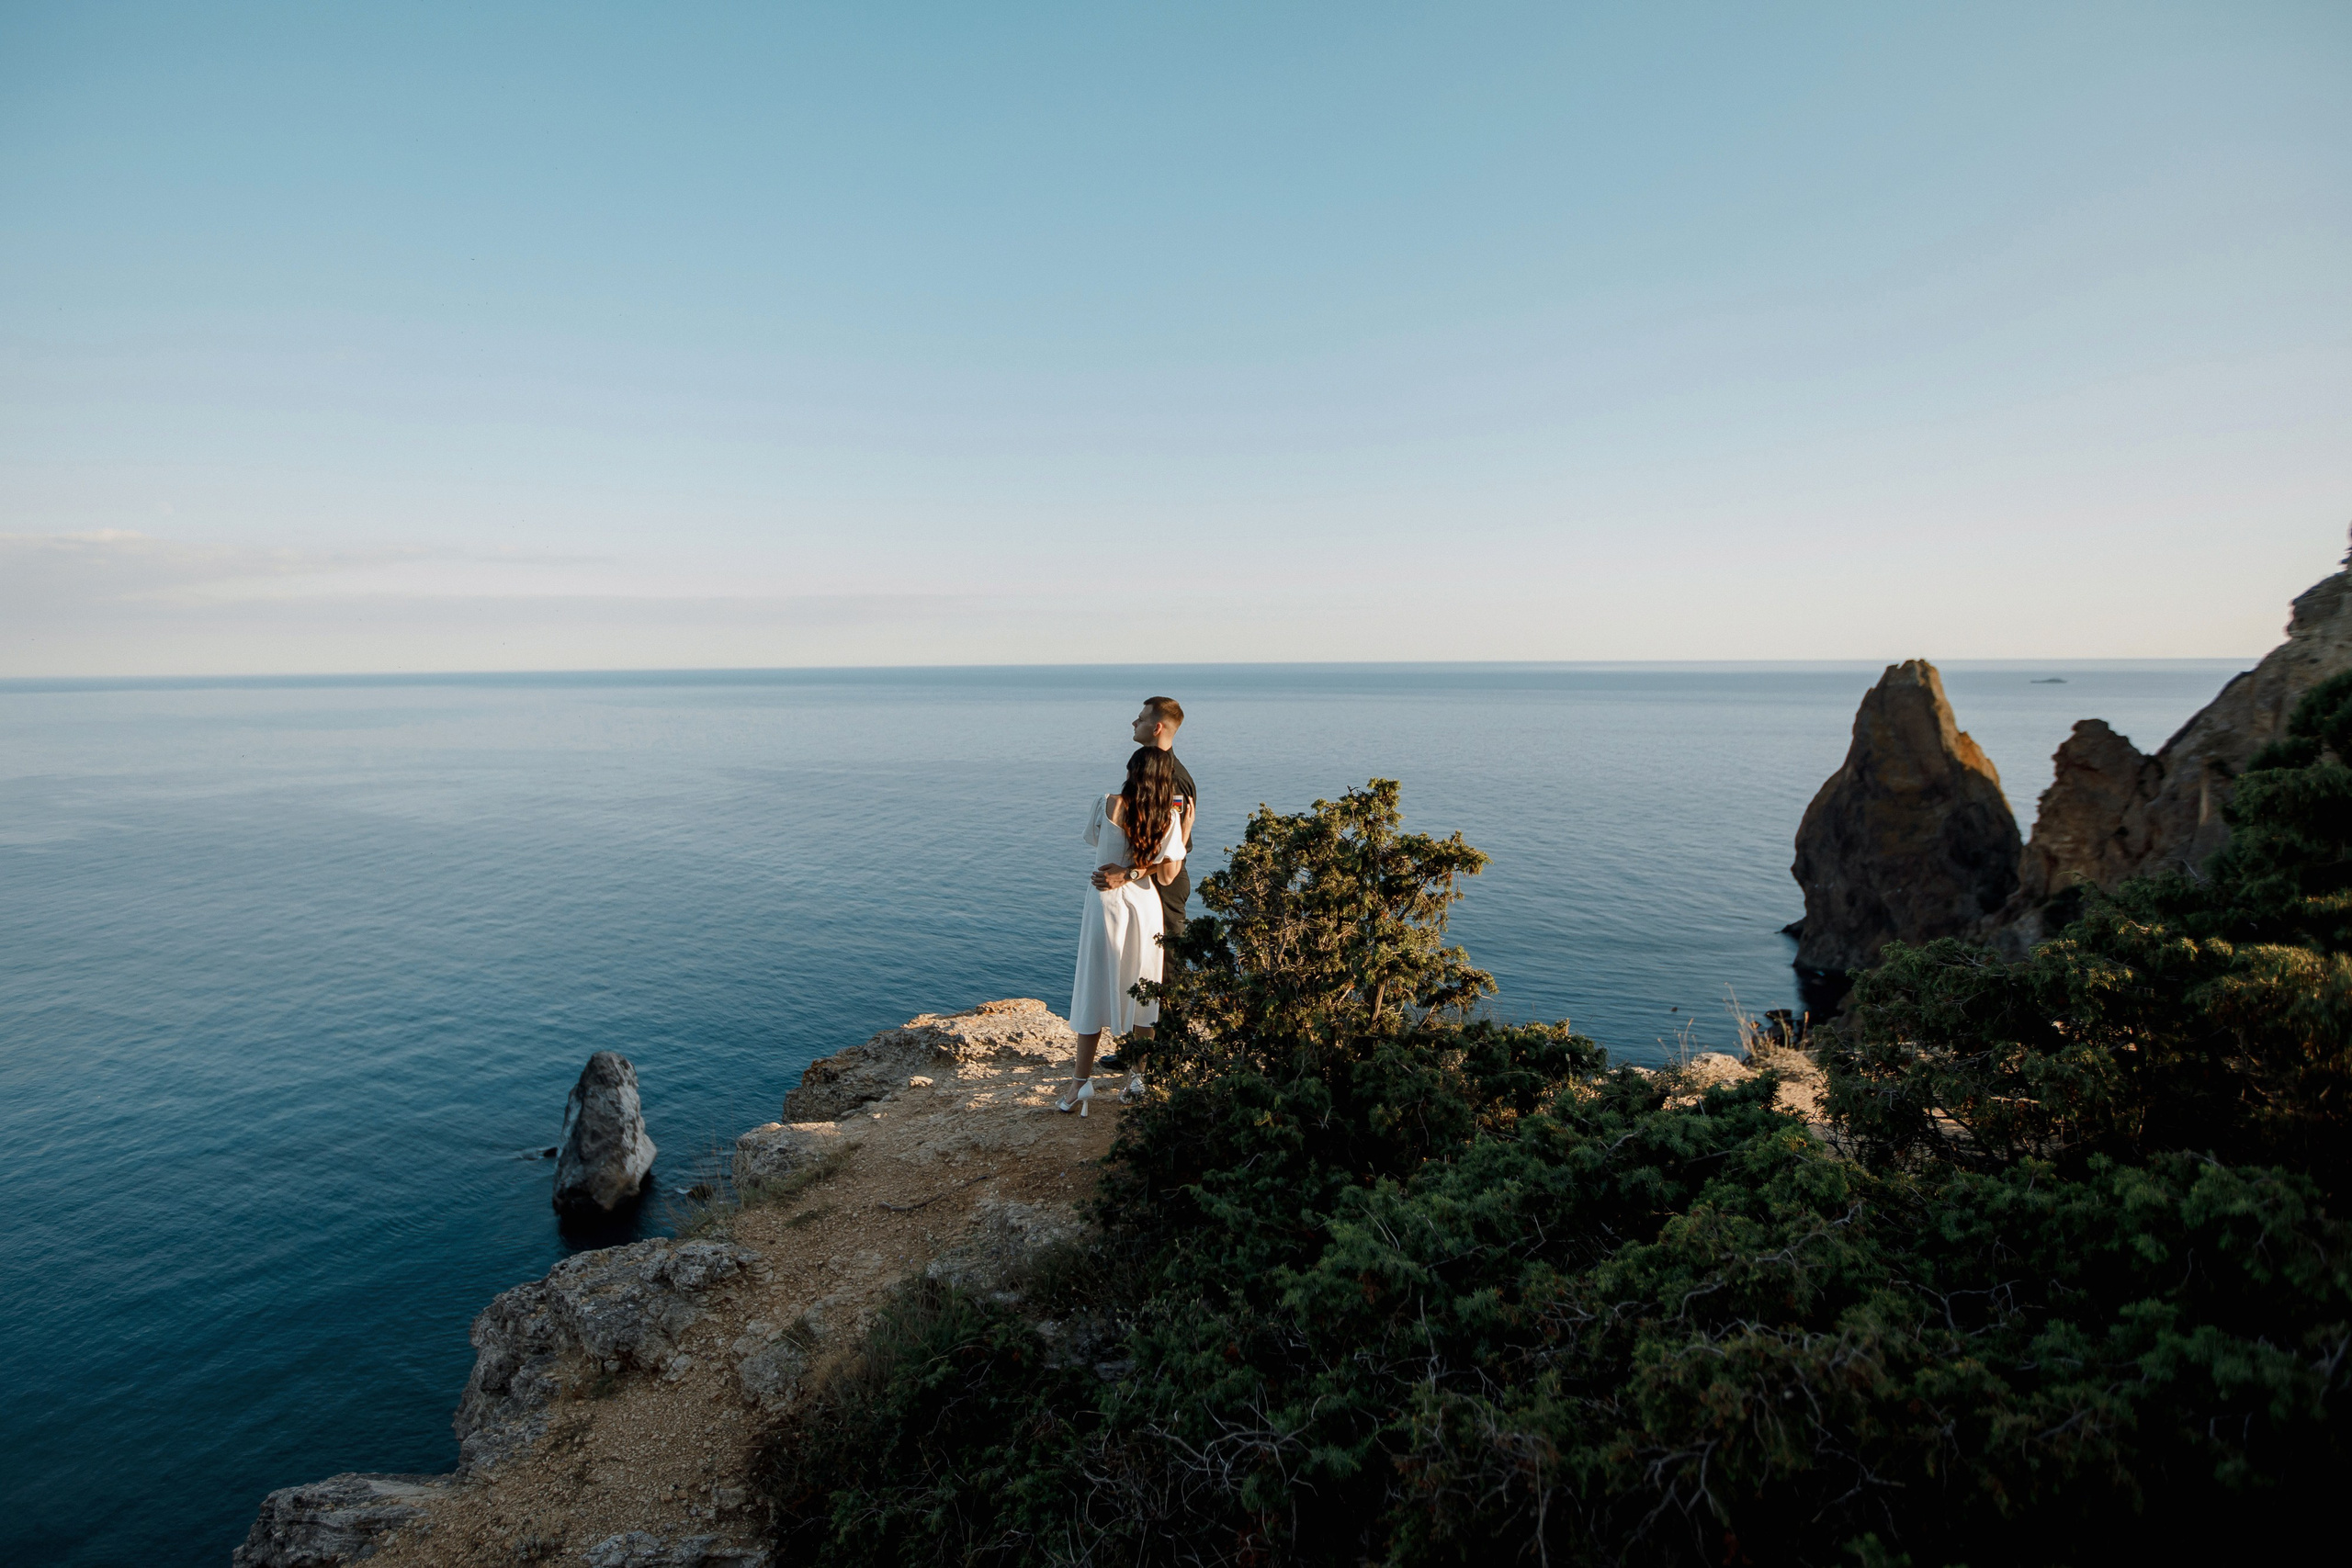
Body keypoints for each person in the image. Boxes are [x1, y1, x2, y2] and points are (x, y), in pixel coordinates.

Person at [1062, 746, 1186, 1114]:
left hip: (1104, 904)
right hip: (1144, 906)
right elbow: (1167, 873)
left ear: (1132, 770)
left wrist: (1122, 869)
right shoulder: (1169, 816)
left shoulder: (1106, 804)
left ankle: (1080, 1085)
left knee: (1094, 985)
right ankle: (1136, 1078)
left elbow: (1095, 841)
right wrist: (1140, 867)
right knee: (1144, 986)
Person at [1095, 697, 1193, 1077]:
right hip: (1144, 884)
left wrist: (1129, 873)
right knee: (1138, 967)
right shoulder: (1155, 771)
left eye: (1140, 719)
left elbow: (1171, 857)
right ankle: (1137, 1051)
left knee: (1164, 968)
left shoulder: (1175, 779)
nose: (1132, 723)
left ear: (1157, 728)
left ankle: (1166, 1055)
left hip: (1163, 887)